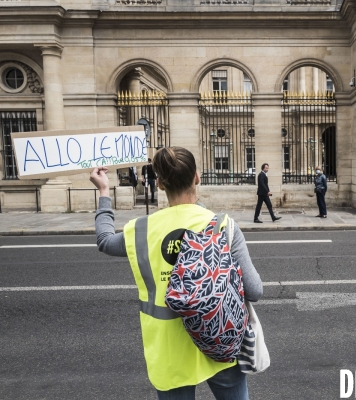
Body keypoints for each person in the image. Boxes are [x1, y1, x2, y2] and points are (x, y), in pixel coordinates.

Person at [90, 147, 263, 400]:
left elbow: (105, 240)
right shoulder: (222, 225)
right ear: (197, 177)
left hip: (169, 351)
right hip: (219, 339)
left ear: (159, 183)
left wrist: (104, 192)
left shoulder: (140, 229)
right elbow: (255, 290)